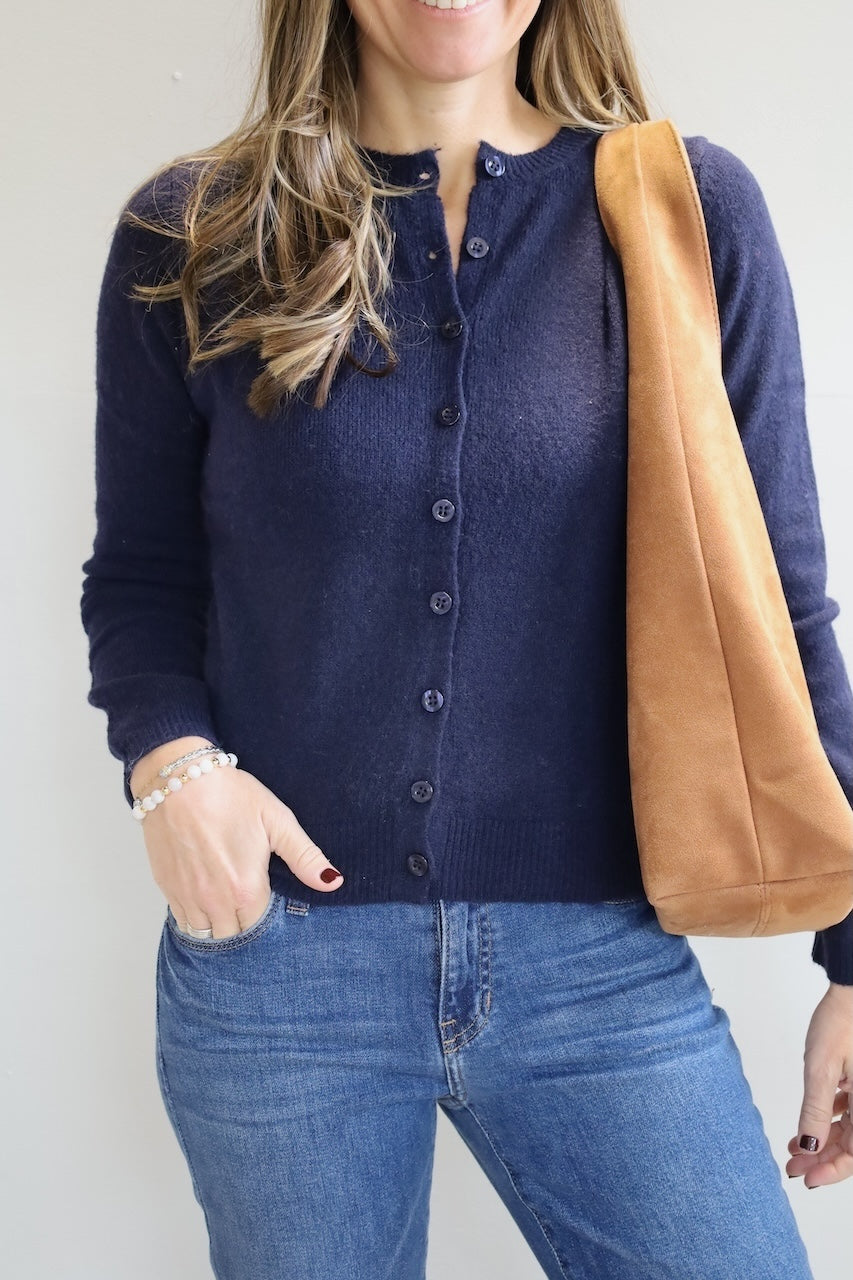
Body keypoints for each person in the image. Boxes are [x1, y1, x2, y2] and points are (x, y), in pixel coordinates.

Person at [80, 1, 853, 1276]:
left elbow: (781, 598)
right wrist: (174, 769)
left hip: (600, 964)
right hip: (282, 967)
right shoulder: (199, 230)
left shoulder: (685, 212)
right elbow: (143, 578)